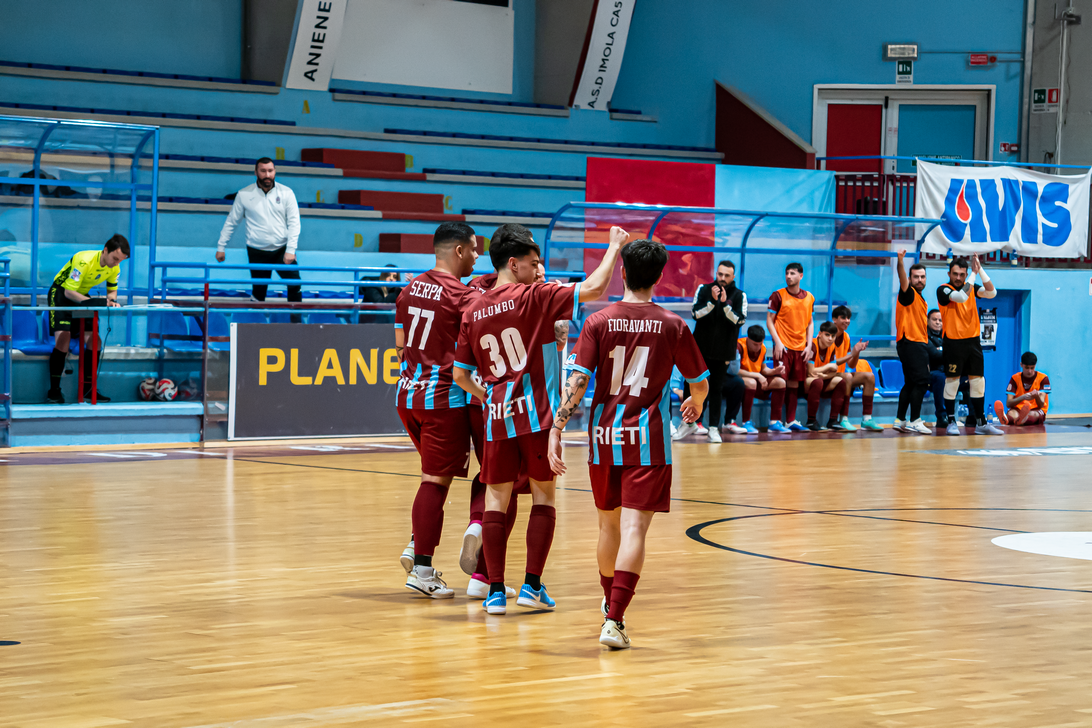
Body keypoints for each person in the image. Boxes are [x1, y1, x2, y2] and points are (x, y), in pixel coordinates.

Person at [452, 223, 629, 615]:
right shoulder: (536, 295)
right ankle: (532, 585)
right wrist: (614, 246)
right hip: (538, 417)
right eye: (534, 263)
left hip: (498, 416)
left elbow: (460, 375)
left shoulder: (473, 310)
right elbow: (595, 288)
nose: (538, 270)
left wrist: (488, 397)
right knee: (544, 496)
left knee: (496, 500)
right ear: (514, 263)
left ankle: (495, 591)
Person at [546, 239, 709, 650]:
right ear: (659, 277)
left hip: (604, 438)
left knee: (608, 525)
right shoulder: (673, 324)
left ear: (622, 273)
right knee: (635, 528)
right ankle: (614, 618)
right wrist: (696, 402)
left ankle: (609, 603)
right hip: (648, 441)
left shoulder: (598, 321)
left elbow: (577, 382)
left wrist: (557, 427)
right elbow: (700, 382)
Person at [394, 222, 480, 599]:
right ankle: (423, 570)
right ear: (459, 250)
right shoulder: (461, 297)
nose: (476, 256)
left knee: (432, 478)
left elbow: (399, 346)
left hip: (407, 396)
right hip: (442, 400)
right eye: (473, 249)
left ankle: (418, 542)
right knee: (435, 482)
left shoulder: (408, 288)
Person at [45, 234, 129, 404]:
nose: (116, 263)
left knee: (95, 341)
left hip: (82, 296)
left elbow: (112, 291)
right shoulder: (83, 260)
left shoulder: (114, 268)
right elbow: (69, 292)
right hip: (61, 293)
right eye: (115, 258)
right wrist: (97, 302)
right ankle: (54, 391)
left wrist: (111, 301)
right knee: (63, 339)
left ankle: (89, 390)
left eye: (120, 261)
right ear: (105, 250)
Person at [216, 157, 302, 321]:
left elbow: (294, 223)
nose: (267, 175)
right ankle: (254, 326)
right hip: (257, 251)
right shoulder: (244, 194)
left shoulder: (287, 193)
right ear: (256, 172)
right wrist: (221, 246)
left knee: (295, 284)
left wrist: (291, 250)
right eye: (263, 171)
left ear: (275, 172)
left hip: (282, 250)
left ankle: (296, 326)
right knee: (259, 293)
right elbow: (231, 222)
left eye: (270, 171)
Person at [674, 260, 746, 442]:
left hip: (724, 351)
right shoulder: (704, 289)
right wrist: (713, 302)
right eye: (720, 274)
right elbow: (695, 314)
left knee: (716, 389)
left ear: (733, 276)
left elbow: (739, 321)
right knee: (691, 385)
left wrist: (725, 305)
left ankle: (713, 428)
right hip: (700, 348)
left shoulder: (739, 295)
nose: (722, 278)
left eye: (726, 275)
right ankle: (688, 423)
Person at [936, 255, 1002, 435]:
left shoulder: (972, 286)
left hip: (973, 342)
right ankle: (951, 421)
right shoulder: (943, 289)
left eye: (962, 274)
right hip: (953, 342)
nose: (958, 278)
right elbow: (960, 297)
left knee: (978, 382)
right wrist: (973, 274)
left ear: (965, 275)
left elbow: (992, 292)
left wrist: (980, 270)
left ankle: (981, 423)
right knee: (952, 382)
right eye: (955, 274)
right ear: (949, 274)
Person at [767, 262, 814, 432]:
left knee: (794, 384)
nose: (788, 276)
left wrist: (809, 345)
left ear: (801, 276)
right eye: (787, 273)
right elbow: (769, 321)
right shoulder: (777, 296)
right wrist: (778, 342)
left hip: (800, 348)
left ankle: (790, 421)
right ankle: (774, 422)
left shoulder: (809, 297)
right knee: (780, 382)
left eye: (792, 273)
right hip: (783, 347)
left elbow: (810, 323)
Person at [892, 250, 932, 434]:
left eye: (922, 277)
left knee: (910, 383)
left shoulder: (920, 298)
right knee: (922, 381)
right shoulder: (908, 293)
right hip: (912, 342)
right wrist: (900, 262)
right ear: (910, 279)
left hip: (911, 343)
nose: (920, 280)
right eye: (916, 277)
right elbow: (902, 279)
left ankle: (900, 419)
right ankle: (915, 420)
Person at [828, 306, 880, 432]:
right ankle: (843, 418)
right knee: (848, 376)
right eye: (843, 318)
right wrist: (852, 353)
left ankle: (867, 419)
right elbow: (830, 363)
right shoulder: (828, 335)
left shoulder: (846, 337)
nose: (847, 321)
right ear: (834, 319)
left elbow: (851, 365)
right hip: (826, 374)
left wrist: (856, 352)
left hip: (841, 375)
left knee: (869, 376)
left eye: (848, 318)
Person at [737, 325, 787, 433]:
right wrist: (757, 375)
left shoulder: (762, 348)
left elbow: (763, 370)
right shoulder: (739, 346)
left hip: (756, 381)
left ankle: (774, 422)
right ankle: (746, 422)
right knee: (751, 382)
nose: (758, 347)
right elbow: (735, 371)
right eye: (755, 344)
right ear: (748, 339)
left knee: (780, 382)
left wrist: (775, 371)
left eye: (760, 344)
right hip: (740, 382)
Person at [804, 321, 848, 431]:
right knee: (817, 382)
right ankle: (811, 421)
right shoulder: (812, 345)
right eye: (827, 335)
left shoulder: (832, 347)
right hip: (805, 381)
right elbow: (810, 371)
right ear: (819, 334)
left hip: (821, 379)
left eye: (833, 336)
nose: (830, 338)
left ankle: (833, 420)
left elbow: (834, 371)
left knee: (841, 382)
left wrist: (822, 375)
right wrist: (827, 367)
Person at [995, 352, 1050, 426]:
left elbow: (1041, 405)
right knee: (1012, 413)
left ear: (1035, 366)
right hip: (1018, 409)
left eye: (1032, 368)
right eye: (1027, 368)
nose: (1029, 371)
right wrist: (1023, 397)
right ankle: (1006, 419)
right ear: (1021, 365)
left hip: (1036, 409)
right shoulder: (1015, 378)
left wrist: (1036, 396)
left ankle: (1022, 419)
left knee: (1033, 414)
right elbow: (1008, 403)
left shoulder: (1043, 378)